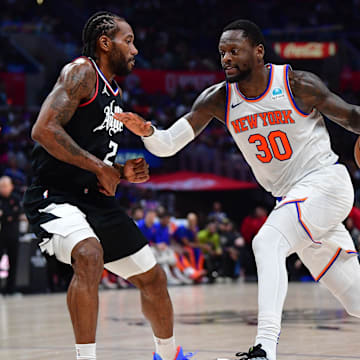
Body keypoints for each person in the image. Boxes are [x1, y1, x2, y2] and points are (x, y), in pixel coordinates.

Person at [115, 19, 360, 360]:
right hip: (293, 201)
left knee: (267, 240)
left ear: (258, 52)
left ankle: (264, 349)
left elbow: (351, 116)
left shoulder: (297, 84)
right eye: (222, 53)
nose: (226, 58)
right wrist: (148, 132)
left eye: (234, 51)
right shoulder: (218, 99)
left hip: (325, 183)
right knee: (356, 301)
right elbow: (168, 145)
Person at [23, 11, 193, 360]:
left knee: (154, 279)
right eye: (128, 40)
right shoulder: (82, 72)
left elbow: (90, 154)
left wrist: (120, 171)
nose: (135, 49)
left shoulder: (113, 94)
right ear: (105, 43)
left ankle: (168, 354)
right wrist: (102, 167)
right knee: (88, 255)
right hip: (54, 195)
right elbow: (43, 130)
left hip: (94, 199)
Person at [0, 176, 21, 295]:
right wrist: (8, 216)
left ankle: (10, 289)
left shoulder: (16, 198)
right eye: (1, 186)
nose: (3, 188)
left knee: (13, 263)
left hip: (13, 235)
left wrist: (5, 215)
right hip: (1, 235)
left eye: (5, 186)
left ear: (11, 186)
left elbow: (15, 213)